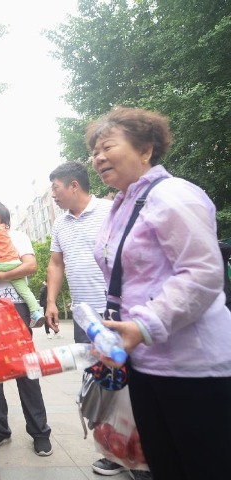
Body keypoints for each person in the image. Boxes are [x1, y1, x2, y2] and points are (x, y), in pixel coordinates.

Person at [87, 107, 231, 480]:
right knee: (166, 467)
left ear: (146, 150)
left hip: (194, 369)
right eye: (93, 150)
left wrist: (143, 325)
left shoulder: (172, 195)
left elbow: (203, 273)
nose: (98, 157)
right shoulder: (122, 205)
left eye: (107, 146)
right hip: (146, 364)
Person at [44, 161, 137, 477]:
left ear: (73, 185)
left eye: (55, 188)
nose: (53, 194)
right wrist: (52, 301)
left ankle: (142, 455)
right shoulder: (61, 224)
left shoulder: (110, 211)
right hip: (85, 317)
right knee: (99, 385)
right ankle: (113, 452)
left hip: (116, 314)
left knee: (129, 385)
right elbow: (56, 264)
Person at [0, 201, 53, 457]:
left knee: (26, 368)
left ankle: (40, 431)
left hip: (17, 306)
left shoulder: (17, 236)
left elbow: (30, 266)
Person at [0, 203, 45, 327]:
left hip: (16, 303)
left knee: (19, 344)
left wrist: (1, 276)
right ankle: (36, 312)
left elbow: (31, 266)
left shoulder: (18, 236)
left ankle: (35, 312)